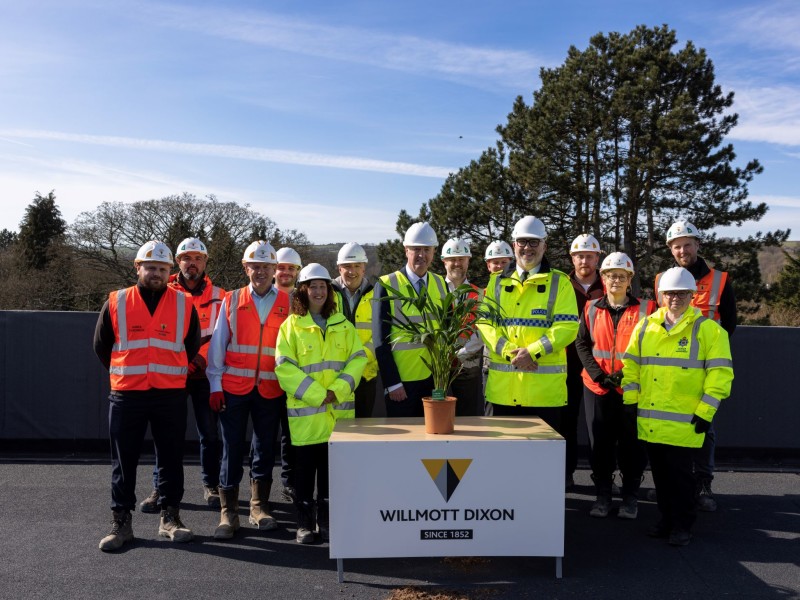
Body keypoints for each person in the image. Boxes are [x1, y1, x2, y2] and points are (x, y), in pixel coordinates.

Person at [94, 240, 200, 551]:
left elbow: (190, 347)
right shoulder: (117, 301)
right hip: (127, 394)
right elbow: (102, 346)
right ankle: (121, 523)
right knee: (123, 461)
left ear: (171, 272)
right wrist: (125, 371)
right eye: (150, 267)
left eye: (163, 268)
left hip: (169, 394)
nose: (156, 273)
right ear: (137, 267)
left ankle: (170, 517)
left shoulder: (184, 303)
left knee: (170, 458)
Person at [622, 266, 733, 546]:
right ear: (661, 296)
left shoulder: (708, 330)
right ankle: (666, 520)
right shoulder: (646, 326)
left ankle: (683, 525)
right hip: (651, 419)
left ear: (692, 296)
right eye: (670, 293)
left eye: (682, 294)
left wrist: (706, 412)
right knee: (660, 476)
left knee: (682, 478)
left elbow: (720, 374)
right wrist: (630, 403)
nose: (675, 299)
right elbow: (631, 367)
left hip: (685, 422)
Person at [275, 263, 366, 543]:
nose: (318, 291)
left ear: (330, 291)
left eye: (323, 286)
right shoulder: (290, 327)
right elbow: (284, 367)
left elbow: (358, 359)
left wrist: (336, 391)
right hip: (306, 419)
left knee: (330, 477)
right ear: (302, 291)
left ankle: (326, 523)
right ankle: (304, 525)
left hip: (337, 418)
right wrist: (318, 394)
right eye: (312, 286)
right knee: (303, 476)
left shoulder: (344, 325)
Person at [206, 240, 290, 540]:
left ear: (274, 269)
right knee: (231, 449)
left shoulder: (288, 303)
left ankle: (259, 507)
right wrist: (215, 384)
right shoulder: (231, 300)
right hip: (234, 388)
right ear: (246, 268)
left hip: (271, 388)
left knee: (265, 448)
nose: (261, 272)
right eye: (255, 266)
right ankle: (228, 514)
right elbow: (218, 344)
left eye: (267, 266)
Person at [139, 237, 226, 513]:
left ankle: (210, 485)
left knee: (209, 435)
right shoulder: (165, 289)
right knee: (167, 436)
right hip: (172, 374)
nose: (192, 263)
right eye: (187, 258)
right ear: (178, 262)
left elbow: (222, 334)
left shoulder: (221, 295)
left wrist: (199, 358)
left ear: (205, 262)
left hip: (205, 374)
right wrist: (184, 360)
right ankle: (160, 488)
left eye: (198, 258)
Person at [654, 220, 736, 511]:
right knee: (666, 426)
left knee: (704, 427)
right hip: (668, 369)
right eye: (677, 245)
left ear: (698, 245)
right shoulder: (661, 279)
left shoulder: (719, 280)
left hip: (702, 370)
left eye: (687, 244)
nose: (682, 250)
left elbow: (729, 324)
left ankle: (703, 484)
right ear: (670, 249)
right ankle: (672, 483)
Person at [477, 216, 579, 449]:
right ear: (514, 244)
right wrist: (510, 352)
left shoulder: (560, 283)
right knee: (501, 462)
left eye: (534, 242)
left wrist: (532, 352)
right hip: (502, 391)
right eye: (522, 242)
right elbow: (484, 323)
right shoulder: (496, 283)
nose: (527, 248)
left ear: (544, 245)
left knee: (542, 468)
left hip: (543, 395)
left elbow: (567, 327)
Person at [575, 252, 656, 519]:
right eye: (611, 276)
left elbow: (651, 348)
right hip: (597, 387)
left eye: (622, 276)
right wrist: (598, 375)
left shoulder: (648, 309)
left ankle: (630, 496)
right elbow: (582, 344)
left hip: (631, 387)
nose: (616, 281)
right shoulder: (591, 308)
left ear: (630, 280)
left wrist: (624, 373)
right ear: (603, 278)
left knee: (632, 444)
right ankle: (603, 495)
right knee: (601, 443)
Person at [373, 221, 448, 417]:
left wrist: (443, 379)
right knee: (404, 443)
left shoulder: (441, 283)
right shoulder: (387, 284)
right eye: (416, 249)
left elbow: (446, 332)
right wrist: (392, 383)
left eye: (427, 249)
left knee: (434, 438)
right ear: (406, 250)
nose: (422, 255)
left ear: (433, 252)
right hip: (402, 384)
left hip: (434, 382)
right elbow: (380, 341)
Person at [564, 234, 605, 488]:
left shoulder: (609, 283)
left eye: (589, 256)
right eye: (579, 255)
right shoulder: (562, 284)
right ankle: (565, 473)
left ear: (597, 258)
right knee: (565, 422)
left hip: (598, 365)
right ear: (572, 258)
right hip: (567, 364)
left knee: (597, 426)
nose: (584, 261)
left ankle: (600, 478)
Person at [331, 242, 378, 418]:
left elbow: (380, 335)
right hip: (335, 376)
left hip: (365, 376)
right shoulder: (327, 294)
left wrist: (359, 359)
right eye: (347, 266)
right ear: (339, 268)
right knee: (337, 430)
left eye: (357, 266)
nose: (352, 271)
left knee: (363, 428)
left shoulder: (377, 295)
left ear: (364, 268)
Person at [441, 238, 484, 416]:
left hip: (468, 368)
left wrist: (460, 354)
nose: (457, 263)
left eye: (462, 259)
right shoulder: (435, 290)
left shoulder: (479, 294)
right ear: (444, 262)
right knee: (439, 415)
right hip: (439, 368)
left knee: (467, 419)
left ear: (468, 261)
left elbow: (482, 330)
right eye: (453, 259)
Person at [274, 246, 303, 503]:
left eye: (291, 268)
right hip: (264, 378)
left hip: (294, 377)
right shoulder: (262, 296)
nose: (286, 272)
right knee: (266, 436)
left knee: (290, 433)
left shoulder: (301, 299)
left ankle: (291, 481)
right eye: (281, 267)